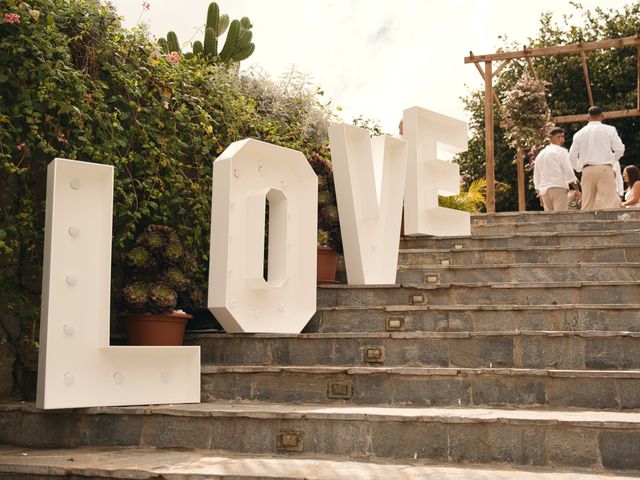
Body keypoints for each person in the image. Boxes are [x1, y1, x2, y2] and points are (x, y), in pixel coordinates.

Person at [568, 106, 625, 210]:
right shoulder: (610, 130)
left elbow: (571, 156)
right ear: (602, 116)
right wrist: (610, 161)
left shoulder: (579, 133)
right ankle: (611, 226)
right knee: (609, 203)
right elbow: (620, 149)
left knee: (587, 204)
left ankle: (585, 226)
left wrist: (579, 168)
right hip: (605, 168)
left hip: (587, 170)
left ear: (588, 117)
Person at [533, 127, 578, 211]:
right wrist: (576, 188)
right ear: (559, 138)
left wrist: (539, 192)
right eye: (563, 137)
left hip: (545, 190)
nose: (564, 140)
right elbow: (568, 171)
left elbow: (536, 175)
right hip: (558, 187)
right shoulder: (562, 151)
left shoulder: (541, 154)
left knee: (549, 219)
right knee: (560, 218)